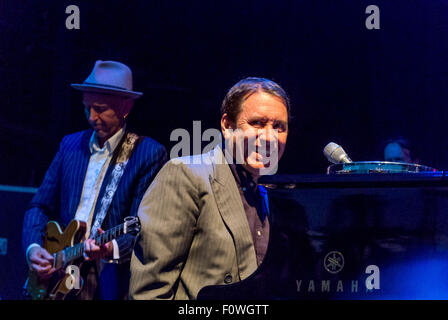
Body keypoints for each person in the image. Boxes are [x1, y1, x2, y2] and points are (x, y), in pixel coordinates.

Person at [130, 77, 290, 299]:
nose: (269, 137)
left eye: (279, 127)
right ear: (227, 125)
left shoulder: (272, 194)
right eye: (257, 123)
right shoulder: (186, 174)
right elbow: (149, 292)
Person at [22, 60, 167, 299]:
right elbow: (39, 205)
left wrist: (111, 248)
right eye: (86, 107)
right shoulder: (69, 145)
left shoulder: (148, 153)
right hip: (57, 270)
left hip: (105, 278)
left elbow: (145, 228)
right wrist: (33, 247)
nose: (91, 117)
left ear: (126, 106)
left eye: (100, 109)